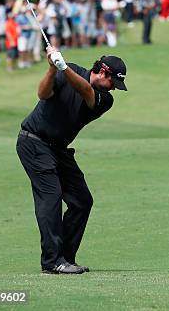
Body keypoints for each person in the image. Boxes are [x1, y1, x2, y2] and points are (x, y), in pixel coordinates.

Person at [16, 48, 128, 274]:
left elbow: (85, 90)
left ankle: (65, 257)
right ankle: (52, 262)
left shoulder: (105, 99)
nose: (114, 87)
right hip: (34, 142)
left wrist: (62, 67)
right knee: (51, 196)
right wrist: (51, 68)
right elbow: (43, 94)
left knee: (82, 200)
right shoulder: (68, 70)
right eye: (113, 82)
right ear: (102, 72)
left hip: (58, 149)